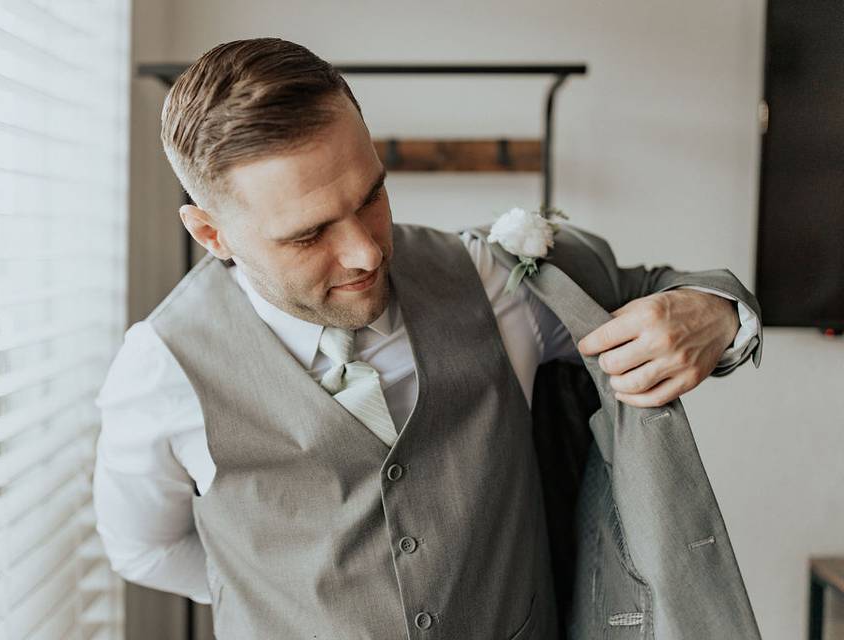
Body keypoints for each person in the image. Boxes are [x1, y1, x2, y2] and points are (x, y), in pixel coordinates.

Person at [93, 38, 761, 639]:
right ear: (212, 235)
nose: (362, 253)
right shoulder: (162, 368)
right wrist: (273, 596)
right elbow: (145, 549)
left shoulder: (489, 279)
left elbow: (668, 291)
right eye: (308, 233)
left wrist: (717, 314)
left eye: (371, 198)